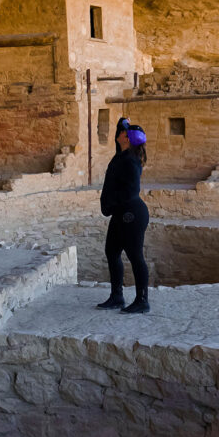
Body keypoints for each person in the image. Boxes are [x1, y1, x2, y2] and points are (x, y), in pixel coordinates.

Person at [97, 117, 150, 314]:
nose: (118, 134)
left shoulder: (130, 161)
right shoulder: (124, 154)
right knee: (111, 252)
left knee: (135, 256)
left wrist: (112, 203)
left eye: (122, 133)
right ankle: (117, 297)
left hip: (131, 213)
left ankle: (142, 300)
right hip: (121, 212)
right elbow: (120, 133)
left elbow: (131, 190)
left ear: (126, 139)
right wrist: (123, 122)